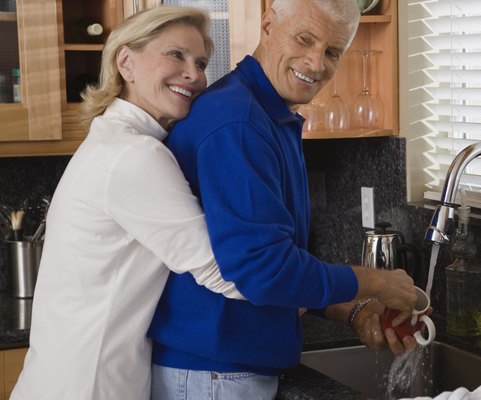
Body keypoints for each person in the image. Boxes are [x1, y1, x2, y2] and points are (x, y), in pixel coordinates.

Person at [148, 0, 419, 399]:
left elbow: (270, 264)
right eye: (305, 39)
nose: (314, 63)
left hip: (220, 370)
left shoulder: (264, 113)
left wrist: (353, 308)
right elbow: (263, 269)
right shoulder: (238, 122)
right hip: (213, 376)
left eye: (331, 52)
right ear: (269, 23)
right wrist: (376, 282)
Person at [11, 6, 246, 400]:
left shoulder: (112, 141)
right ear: (126, 62)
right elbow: (222, 272)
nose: (195, 74)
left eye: (201, 62)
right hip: (91, 387)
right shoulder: (134, 156)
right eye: (176, 55)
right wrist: (329, 296)